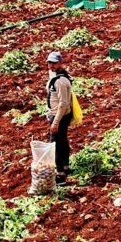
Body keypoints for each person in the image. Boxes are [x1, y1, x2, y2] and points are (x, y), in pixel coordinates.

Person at [46, 51, 73, 185]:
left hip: (60, 116)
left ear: (60, 63)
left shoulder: (61, 82)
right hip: (60, 114)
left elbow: (63, 104)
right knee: (62, 140)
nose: (51, 66)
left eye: (54, 63)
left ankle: (60, 175)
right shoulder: (57, 76)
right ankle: (66, 166)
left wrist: (55, 122)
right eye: (49, 63)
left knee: (55, 144)